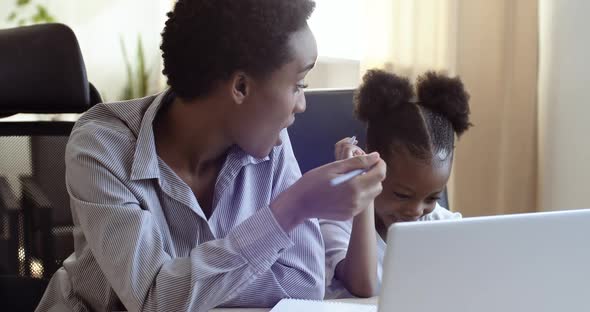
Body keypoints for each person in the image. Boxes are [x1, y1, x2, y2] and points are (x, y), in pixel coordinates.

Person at [36, 1, 386, 311]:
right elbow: (154, 301)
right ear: (240, 87)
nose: (302, 104)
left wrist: (188, 287)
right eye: (298, 85)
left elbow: (303, 285)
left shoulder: (272, 144)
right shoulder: (103, 146)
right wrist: (291, 210)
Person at [321, 69, 472, 299]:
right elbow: (363, 287)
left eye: (432, 197)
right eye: (402, 195)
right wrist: (363, 188)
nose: (416, 210)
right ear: (372, 165)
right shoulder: (335, 223)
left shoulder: (444, 227)